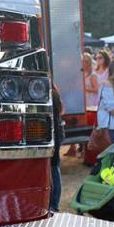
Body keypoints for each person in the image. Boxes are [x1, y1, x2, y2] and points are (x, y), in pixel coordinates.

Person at [50, 83, 65, 212]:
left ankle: (54, 204)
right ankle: (53, 203)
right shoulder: (54, 91)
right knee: (54, 167)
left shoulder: (51, 93)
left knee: (54, 168)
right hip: (56, 133)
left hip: (54, 134)